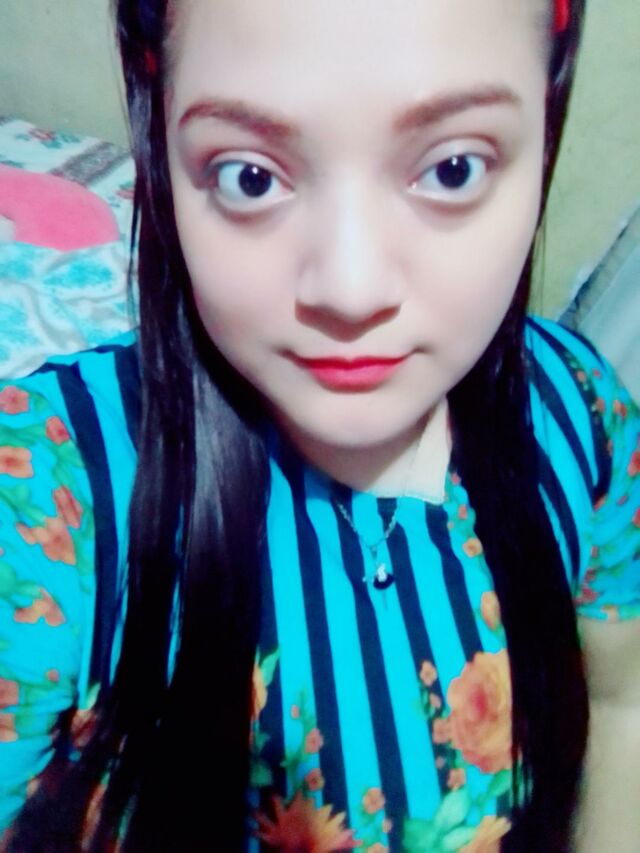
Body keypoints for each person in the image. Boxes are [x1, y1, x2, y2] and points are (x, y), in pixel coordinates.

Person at [0, 0, 638, 850]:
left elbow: (622, 700)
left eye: (452, 168)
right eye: (249, 176)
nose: (349, 288)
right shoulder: (46, 496)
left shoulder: (582, 413)